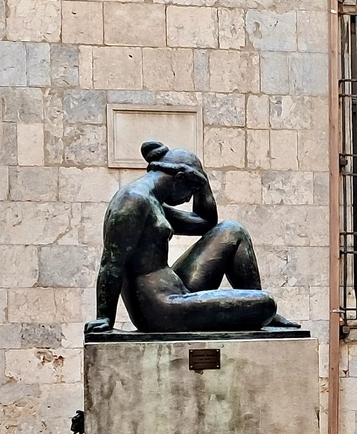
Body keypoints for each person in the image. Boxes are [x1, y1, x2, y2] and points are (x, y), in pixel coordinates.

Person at [84, 140, 299, 334]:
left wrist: (201, 181)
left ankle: (258, 307)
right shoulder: (132, 202)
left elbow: (205, 223)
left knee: (233, 231)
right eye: (191, 191)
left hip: (175, 289)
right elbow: (111, 263)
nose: (189, 198)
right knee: (266, 304)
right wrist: (104, 317)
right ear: (178, 179)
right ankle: (260, 309)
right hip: (159, 308)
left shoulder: (152, 202)